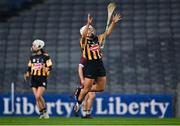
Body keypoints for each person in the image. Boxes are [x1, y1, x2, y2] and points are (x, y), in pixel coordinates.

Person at [74, 13, 121, 113]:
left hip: (99, 64)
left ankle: (80, 90)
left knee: (101, 88)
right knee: (86, 89)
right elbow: (83, 37)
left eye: (91, 29)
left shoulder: (97, 38)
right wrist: (88, 24)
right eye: (89, 29)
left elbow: (107, 33)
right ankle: (78, 103)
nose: (91, 30)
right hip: (90, 65)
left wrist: (113, 23)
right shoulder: (83, 41)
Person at [24, 39, 52, 119]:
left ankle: (45, 111)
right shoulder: (32, 57)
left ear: (39, 47)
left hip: (42, 78)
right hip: (34, 79)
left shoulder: (46, 56)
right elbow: (29, 68)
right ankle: (42, 113)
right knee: (37, 97)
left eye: (34, 45)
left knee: (38, 96)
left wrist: (47, 69)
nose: (32, 47)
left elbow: (50, 67)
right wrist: (27, 74)